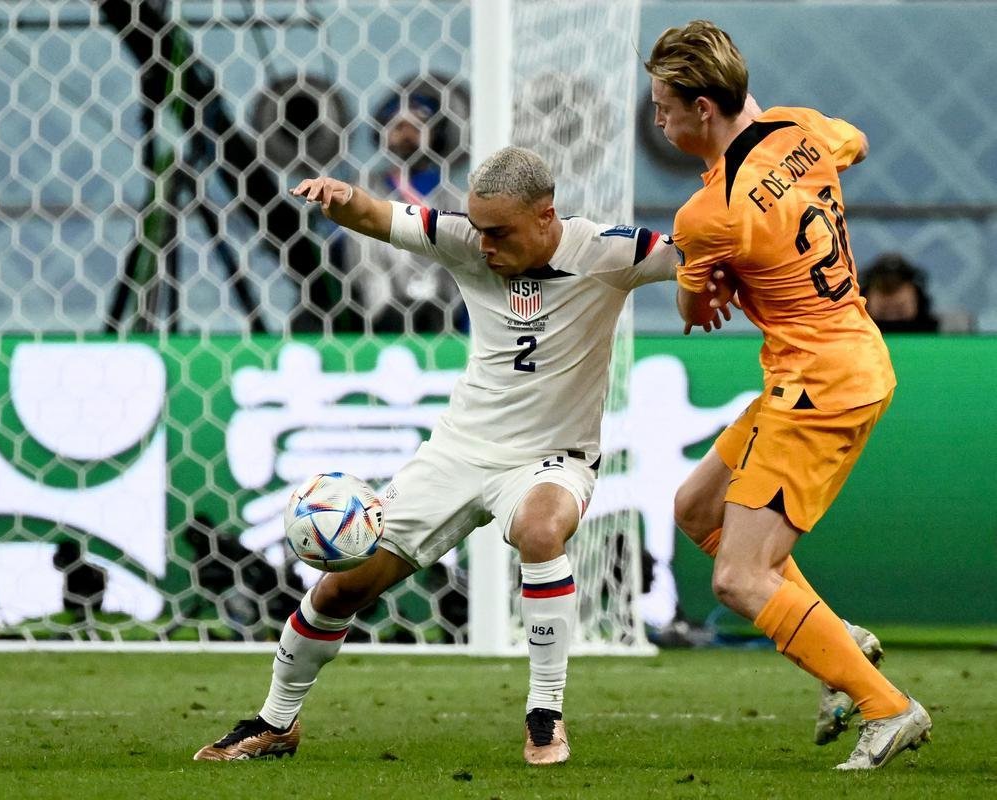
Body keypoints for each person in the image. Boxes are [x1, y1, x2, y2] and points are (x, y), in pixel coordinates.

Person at [194, 146, 678, 765]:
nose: (485, 245)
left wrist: (712, 278)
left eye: (498, 232)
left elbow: (697, 256)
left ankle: (545, 714)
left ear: (546, 217)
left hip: (551, 458)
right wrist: (342, 199)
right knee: (344, 588)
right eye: (477, 228)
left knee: (538, 530)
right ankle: (274, 722)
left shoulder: (609, 251)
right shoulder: (466, 241)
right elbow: (379, 217)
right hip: (458, 451)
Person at [644, 20, 931, 770]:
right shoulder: (799, 127)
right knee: (696, 509)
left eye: (664, 105)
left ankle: (886, 706)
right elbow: (854, 141)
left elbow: (692, 313)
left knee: (739, 577)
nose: (658, 121)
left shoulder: (708, 216)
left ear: (702, 108)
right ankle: (835, 638)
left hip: (819, 386)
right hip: (834, 360)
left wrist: (704, 286)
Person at [336, 87, 466, 333]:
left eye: (417, 126)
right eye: (397, 126)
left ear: (434, 134)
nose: (407, 134)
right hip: (383, 310)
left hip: (443, 311)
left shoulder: (453, 196)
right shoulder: (366, 188)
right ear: (382, 135)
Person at [859, 253, 940, 333]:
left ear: (918, 298)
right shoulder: (853, 338)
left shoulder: (933, 336)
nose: (891, 300)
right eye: (885, 288)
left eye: (897, 288)